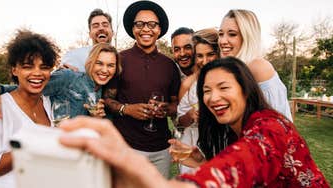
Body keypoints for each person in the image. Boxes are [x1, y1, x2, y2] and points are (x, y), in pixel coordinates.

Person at [59, 57, 328, 187]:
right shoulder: (235, 130)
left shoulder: (271, 124)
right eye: (206, 91)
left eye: (224, 87)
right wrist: (201, 161)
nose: (213, 98)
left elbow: (247, 159)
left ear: (246, 89)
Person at [0, 30, 58, 187]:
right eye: (28, 66)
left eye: (44, 67)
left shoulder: (47, 103)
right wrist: (34, 144)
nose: (37, 73)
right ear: (15, 70)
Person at [104, 0, 180, 178]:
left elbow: (176, 104)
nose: (146, 29)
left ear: (159, 30)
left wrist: (166, 109)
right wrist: (127, 109)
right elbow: (107, 100)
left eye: (152, 24)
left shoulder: (169, 65)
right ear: (133, 29)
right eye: (140, 24)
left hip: (161, 150)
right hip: (126, 146)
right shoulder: (119, 59)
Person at [0, 43, 121, 124]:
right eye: (99, 63)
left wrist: (97, 119)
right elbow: (25, 90)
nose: (104, 70)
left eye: (110, 65)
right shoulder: (69, 77)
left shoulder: (104, 92)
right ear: (90, 63)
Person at [218, 9, 292, 121]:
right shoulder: (230, 69)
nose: (223, 41)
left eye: (232, 34)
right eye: (221, 34)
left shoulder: (259, 68)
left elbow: (279, 120)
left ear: (248, 36)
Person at [176, 28, 219, 174]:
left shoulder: (229, 80)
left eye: (210, 54)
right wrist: (190, 115)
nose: (205, 61)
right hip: (192, 146)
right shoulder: (190, 85)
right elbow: (178, 123)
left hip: (219, 146)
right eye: (200, 56)